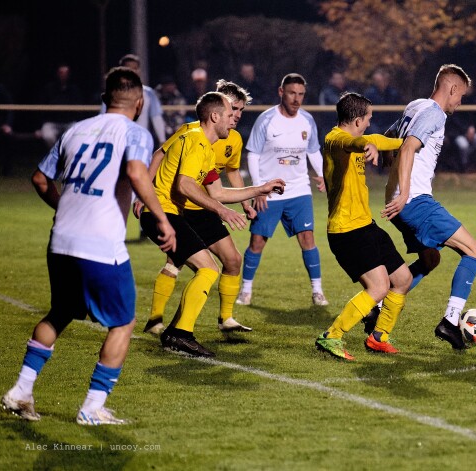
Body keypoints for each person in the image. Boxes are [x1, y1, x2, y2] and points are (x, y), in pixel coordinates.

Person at [1, 67, 176, 425]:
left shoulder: (75, 131)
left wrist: (64, 206)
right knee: (124, 323)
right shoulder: (134, 132)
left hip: (62, 238)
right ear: (140, 103)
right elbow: (137, 173)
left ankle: (21, 390)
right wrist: (161, 218)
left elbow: (39, 178)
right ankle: (92, 407)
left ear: (103, 99)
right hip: (100, 243)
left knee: (61, 313)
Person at [139, 92, 285, 357]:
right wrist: (220, 210)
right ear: (215, 116)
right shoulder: (196, 140)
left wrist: (260, 188)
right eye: (230, 114)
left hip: (168, 213)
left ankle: (176, 331)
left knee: (210, 268)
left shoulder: (204, 146)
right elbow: (185, 184)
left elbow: (218, 192)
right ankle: (179, 333)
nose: (234, 119)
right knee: (207, 269)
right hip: (162, 213)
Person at [380, 64, 476, 351]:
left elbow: (390, 141)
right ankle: (450, 322)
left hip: (400, 203)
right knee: (474, 251)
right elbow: (407, 147)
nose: (459, 103)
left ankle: (376, 305)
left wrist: (394, 191)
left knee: (429, 260)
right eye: (460, 95)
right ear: (451, 88)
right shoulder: (435, 113)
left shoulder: (416, 106)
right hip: (415, 202)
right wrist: (405, 194)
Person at [314, 92, 410, 360]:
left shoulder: (358, 139)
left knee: (402, 279)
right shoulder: (335, 140)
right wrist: (365, 146)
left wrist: (406, 143)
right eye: (368, 118)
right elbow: (354, 142)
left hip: (365, 225)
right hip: (346, 231)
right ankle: (331, 336)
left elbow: (374, 139)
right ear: (357, 120)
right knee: (378, 288)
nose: (369, 122)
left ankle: (379, 337)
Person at [237, 73, 329, 307]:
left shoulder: (307, 120)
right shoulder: (267, 119)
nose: (296, 99)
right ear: (281, 92)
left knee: (308, 238)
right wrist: (259, 189)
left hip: (299, 191)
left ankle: (317, 291)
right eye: (292, 93)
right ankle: (245, 290)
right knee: (257, 241)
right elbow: (254, 154)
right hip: (270, 192)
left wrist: (322, 175)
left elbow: (313, 151)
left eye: (300, 94)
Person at [111, 54, 167, 147]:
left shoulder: (148, 93)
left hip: (141, 141)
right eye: (128, 68)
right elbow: (104, 117)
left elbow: (156, 117)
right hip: (118, 141)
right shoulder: (112, 93)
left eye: (135, 68)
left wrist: (162, 141)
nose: (132, 71)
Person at [35, 63, 85, 148]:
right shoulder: (49, 88)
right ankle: (55, 155)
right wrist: (39, 127)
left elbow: (79, 109)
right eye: (61, 73)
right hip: (52, 122)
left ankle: (67, 156)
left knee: (77, 136)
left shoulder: (74, 90)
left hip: (69, 122)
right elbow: (41, 109)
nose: (64, 75)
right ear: (57, 74)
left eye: (66, 73)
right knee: (48, 136)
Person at [364, 68, 403, 135]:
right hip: (374, 124)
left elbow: (397, 114)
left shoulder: (393, 94)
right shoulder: (369, 94)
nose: (381, 83)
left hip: (389, 123)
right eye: (377, 81)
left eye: (383, 80)